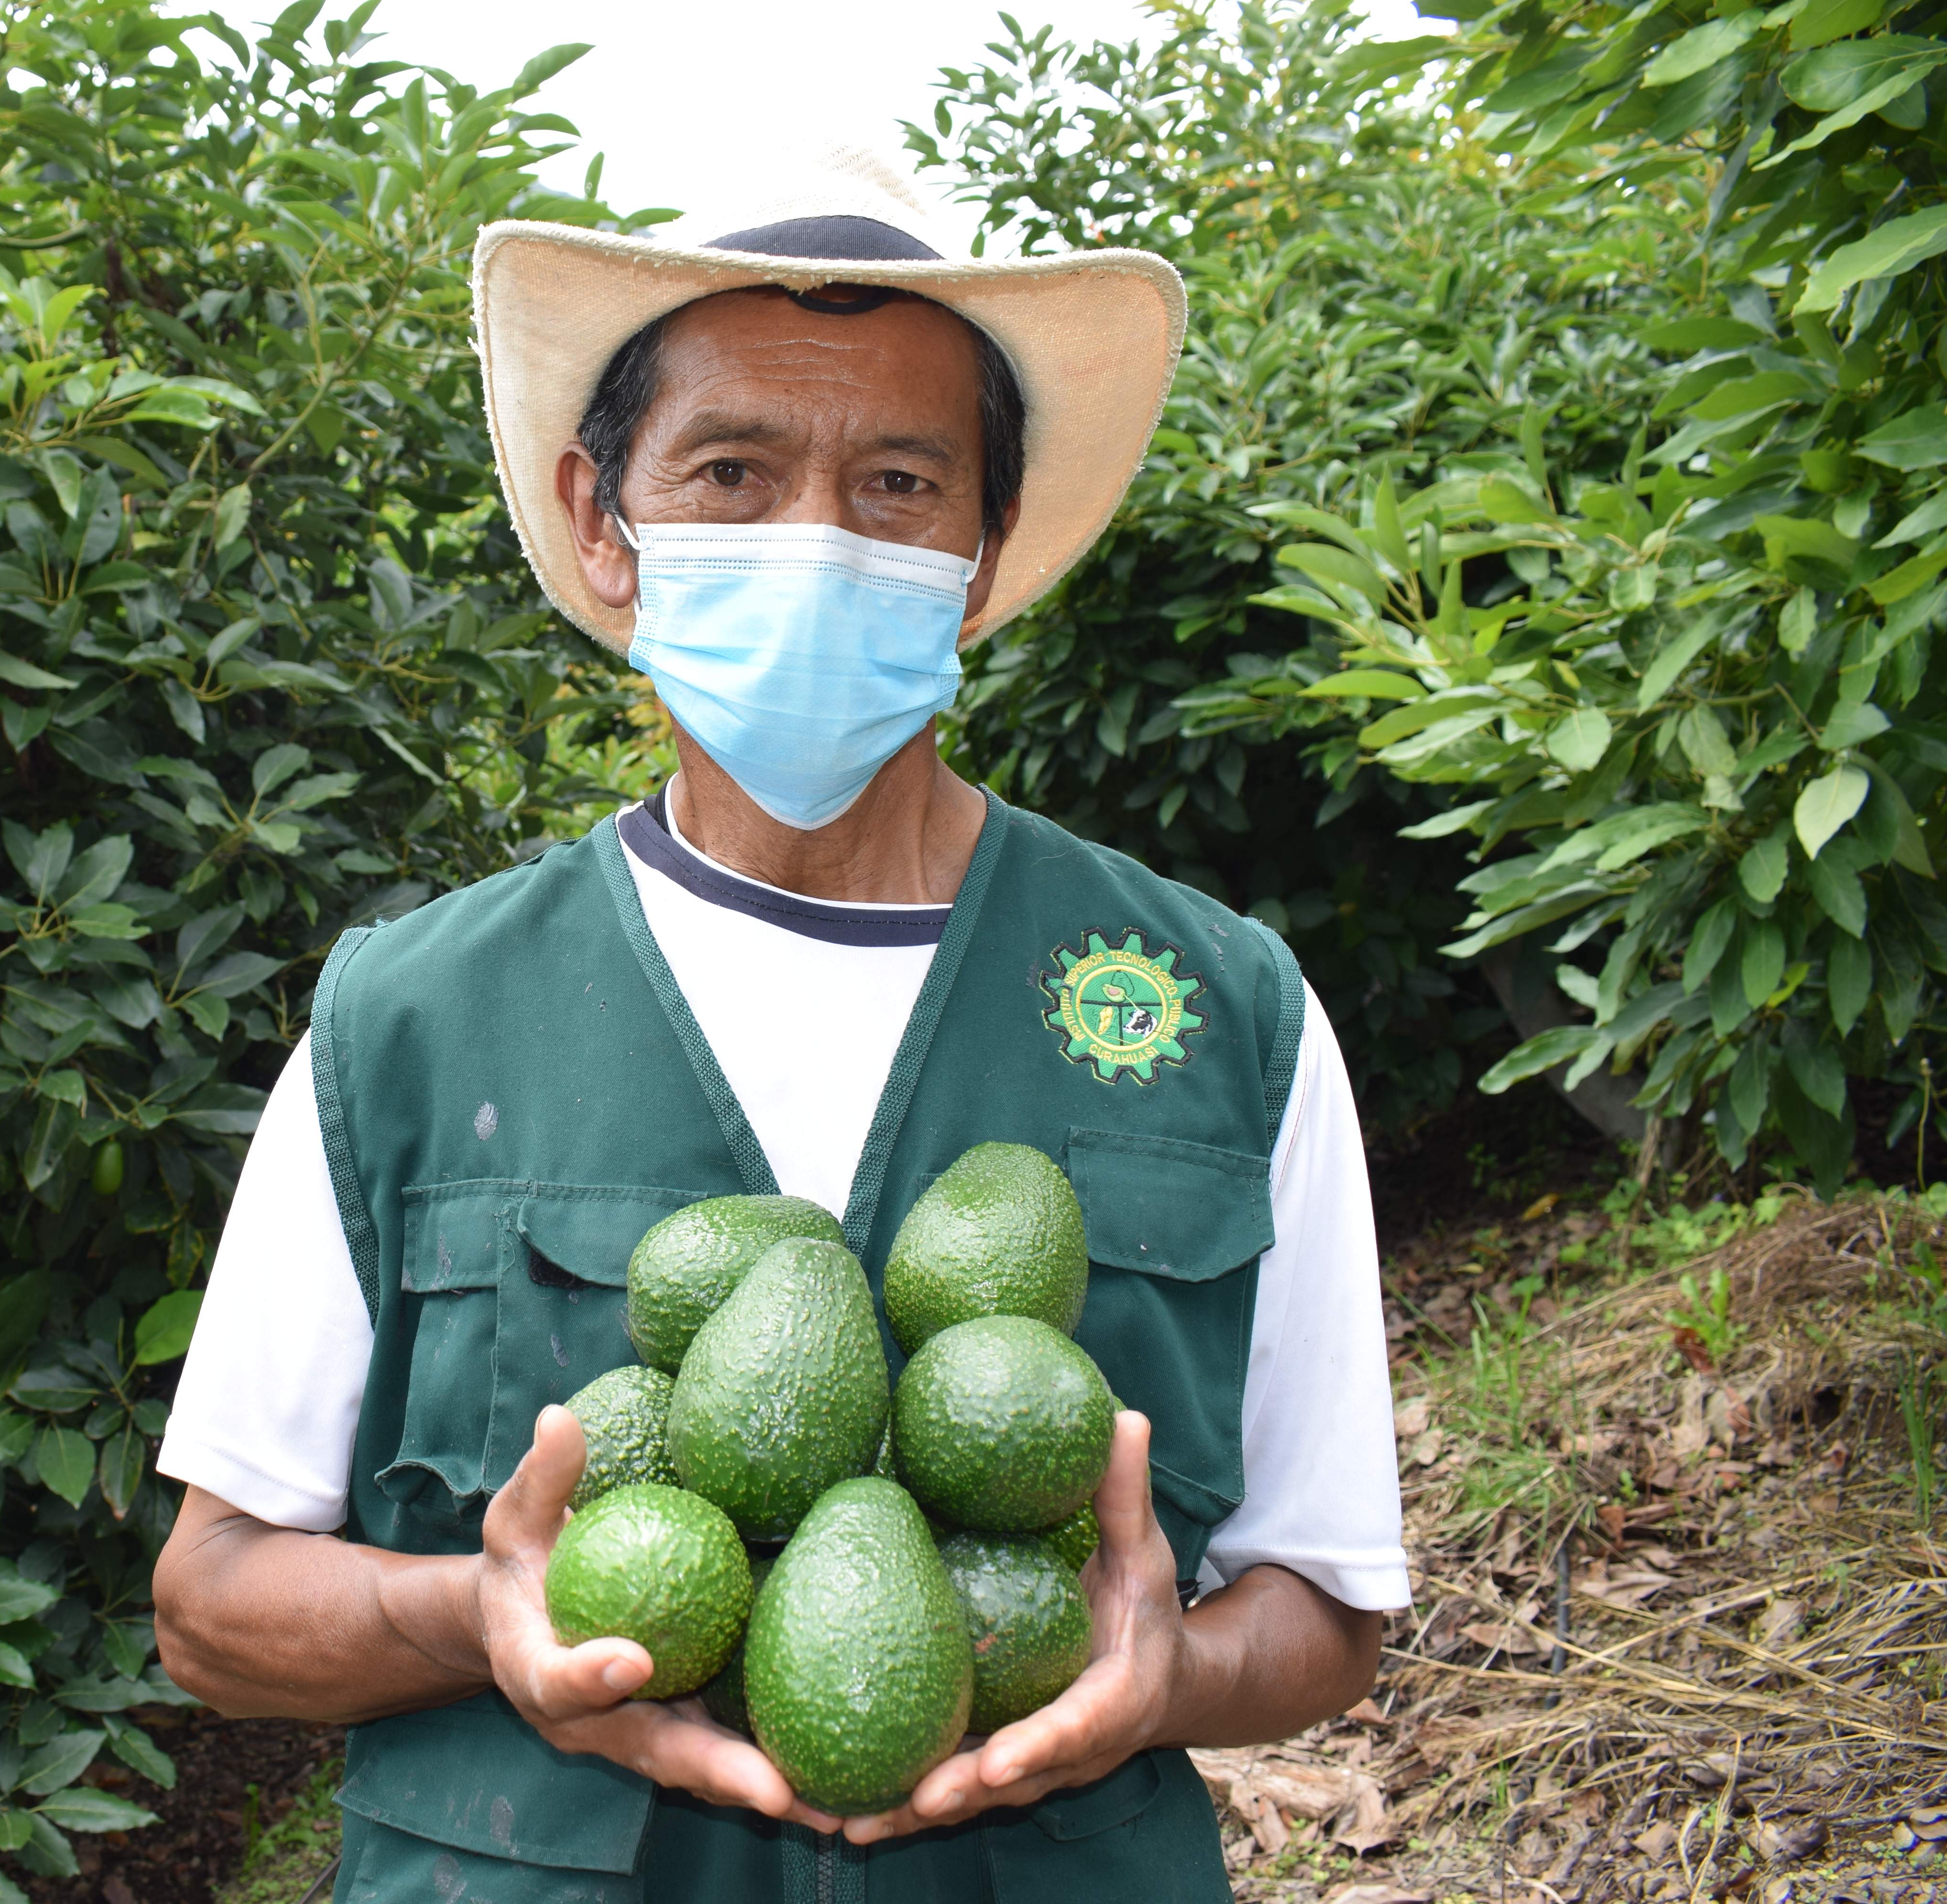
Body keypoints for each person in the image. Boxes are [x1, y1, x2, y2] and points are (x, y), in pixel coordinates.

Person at [149, 147, 1407, 1902]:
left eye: (900, 482)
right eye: (730, 471)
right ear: (607, 522)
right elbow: (213, 1608)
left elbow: (1329, 1606)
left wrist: (1170, 1675)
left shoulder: (1223, 1012)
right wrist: (479, 1613)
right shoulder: (411, 1019)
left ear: (983, 553)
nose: (813, 537)